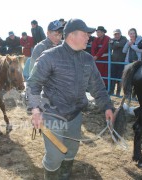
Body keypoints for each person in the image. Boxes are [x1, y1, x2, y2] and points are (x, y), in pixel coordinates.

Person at [27, 18, 114, 179]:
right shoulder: (50, 57)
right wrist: (35, 109)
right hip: (53, 114)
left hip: (75, 114)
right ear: (71, 36)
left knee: (71, 150)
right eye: (85, 34)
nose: (89, 37)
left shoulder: (87, 59)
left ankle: (65, 175)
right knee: (55, 156)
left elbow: (98, 87)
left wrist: (107, 106)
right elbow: (33, 84)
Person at [109, 29, 127, 96]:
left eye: (118, 34)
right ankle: (111, 91)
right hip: (114, 61)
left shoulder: (124, 38)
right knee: (112, 77)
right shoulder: (112, 39)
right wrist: (116, 44)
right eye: (115, 34)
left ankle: (118, 92)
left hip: (121, 61)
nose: (116, 35)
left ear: (120, 33)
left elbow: (121, 44)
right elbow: (110, 47)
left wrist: (114, 43)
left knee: (119, 77)